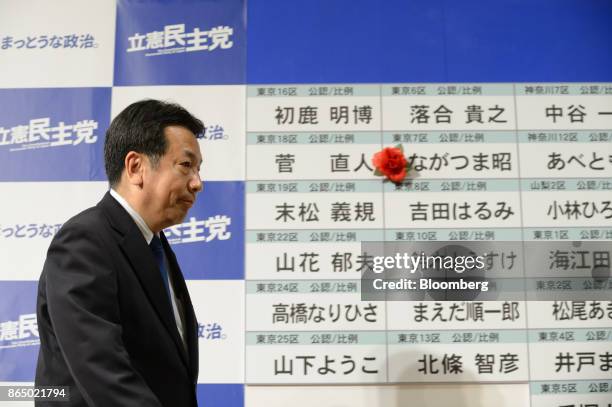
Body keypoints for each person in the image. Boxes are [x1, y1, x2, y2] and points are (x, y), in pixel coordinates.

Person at [35, 99, 204, 407]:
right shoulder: (84, 241)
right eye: (186, 165)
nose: (197, 183)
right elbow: (103, 373)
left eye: (198, 169)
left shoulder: (156, 245)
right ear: (136, 167)